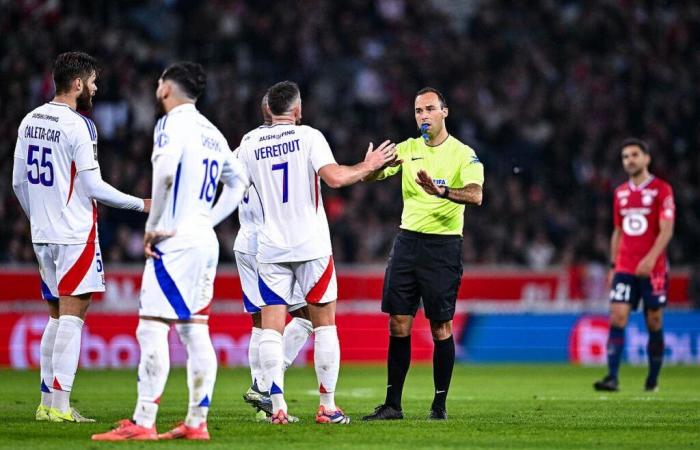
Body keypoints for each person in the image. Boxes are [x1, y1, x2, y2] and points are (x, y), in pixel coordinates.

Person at [92, 62, 247, 441]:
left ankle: (144, 421)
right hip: (203, 240)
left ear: (166, 89)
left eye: (160, 82)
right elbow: (238, 183)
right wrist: (208, 219)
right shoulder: (211, 131)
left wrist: (153, 226)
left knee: (151, 328)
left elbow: (163, 174)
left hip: (174, 240)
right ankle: (197, 422)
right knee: (196, 331)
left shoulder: (171, 123)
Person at [235, 80, 396, 424]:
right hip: (311, 245)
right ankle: (327, 406)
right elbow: (335, 179)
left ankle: (277, 407)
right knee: (324, 326)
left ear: (269, 110)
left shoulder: (249, 142)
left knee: (270, 329)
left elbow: (232, 187)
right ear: (297, 109)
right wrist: (368, 165)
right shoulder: (309, 136)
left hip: (270, 247)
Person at [12, 51, 149, 423]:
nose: (95, 88)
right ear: (77, 84)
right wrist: (142, 204)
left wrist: (38, 219)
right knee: (73, 317)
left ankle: (46, 403)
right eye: (92, 81)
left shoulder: (30, 120)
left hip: (42, 234)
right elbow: (94, 187)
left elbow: (17, 182)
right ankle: (60, 406)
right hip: (74, 235)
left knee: (56, 317)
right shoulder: (79, 125)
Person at [361, 87, 484, 421]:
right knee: (398, 323)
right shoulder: (407, 149)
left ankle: (439, 405)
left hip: (443, 245)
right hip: (407, 243)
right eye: (418, 111)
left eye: (430, 109)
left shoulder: (464, 154)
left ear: (445, 112)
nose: (423, 116)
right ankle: (393, 406)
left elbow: (475, 195)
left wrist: (441, 191)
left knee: (441, 327)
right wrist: (370, 165)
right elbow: (373, 176)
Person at [211, 92, 313, 421]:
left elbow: (223, 183)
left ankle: (264, 406)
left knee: (260, 322)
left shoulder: (245, 145)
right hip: (271, 241)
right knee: (309, 317)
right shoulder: (293, 143)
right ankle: (264, 383)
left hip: (245, 240)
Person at [594, 138, 675, 392]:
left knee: (654, 321)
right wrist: (612, 265)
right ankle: (612, 377)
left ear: (646, 158)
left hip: (654, 269)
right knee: (617, 316)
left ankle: (652, 380)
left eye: (634, 155)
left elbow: (667, 229)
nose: (629, 160)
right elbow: (618, 231)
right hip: (625, 267)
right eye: (625, 156)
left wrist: (651, 258)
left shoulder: (662, 190)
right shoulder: (620, 193)